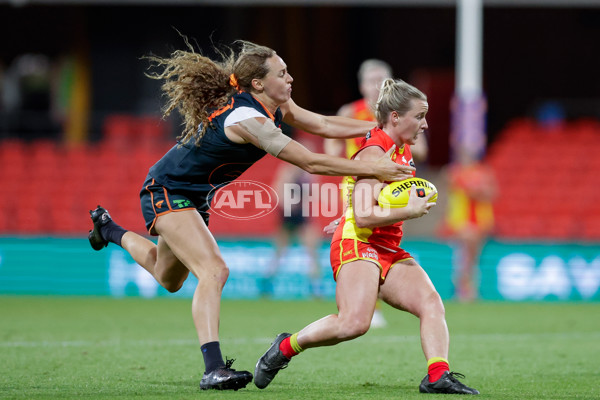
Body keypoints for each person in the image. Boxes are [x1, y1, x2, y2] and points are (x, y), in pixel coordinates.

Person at [87, 41, 415, 391]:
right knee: (214, 270)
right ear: (258, 84)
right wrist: (378, 168)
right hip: (167, 189)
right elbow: (309, 161)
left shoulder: (276, 105)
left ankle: (108, 230)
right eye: (281, 73)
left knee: (167, 278)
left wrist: (375, 130)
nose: (290, 78)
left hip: (194, 196)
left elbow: (319, 123)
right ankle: (213, 369)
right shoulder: (249, 119)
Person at [254, 79, 480, 395]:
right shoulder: (376, 153)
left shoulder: (400, 147)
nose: (425, 123)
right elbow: (363, 217)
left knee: (430, 302)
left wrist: (355, 208)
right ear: (396, 117)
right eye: (420, 116)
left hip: (386, 244)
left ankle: (437, 376)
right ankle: (286, 347)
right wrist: (409, 212)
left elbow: (366, 199)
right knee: (353, 324)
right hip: (358, 241)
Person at [325, 59, 428, 328]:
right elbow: (330, 142)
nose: (376, 86)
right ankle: (364, 303)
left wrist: (394, 138)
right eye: (372, 81)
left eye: (382, 81)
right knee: (361, 232)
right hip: (355, 183)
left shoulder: (401, 115)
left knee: (382, 235)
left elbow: (423, 151)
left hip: (392, 182)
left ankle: (368, 300)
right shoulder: (351, 110)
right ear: (361, 85)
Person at [265, 133, 322, 297]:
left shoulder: (310, 174)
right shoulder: (288, 170)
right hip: (289, 214)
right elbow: (277, 190)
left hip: (302, 214)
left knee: (312, 249)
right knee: (280, 250)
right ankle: (268, 281)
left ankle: (315, 287)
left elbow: (313, 194)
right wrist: (290, 205)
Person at [443, 149, 497, 302]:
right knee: (465, 255)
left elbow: (490, 193)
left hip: (480, 220)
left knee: (472, 257)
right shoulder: (455, 172)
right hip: (462, 220)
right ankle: (464, 288)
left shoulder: (483, 172)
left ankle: (468, 288)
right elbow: (470, 191)